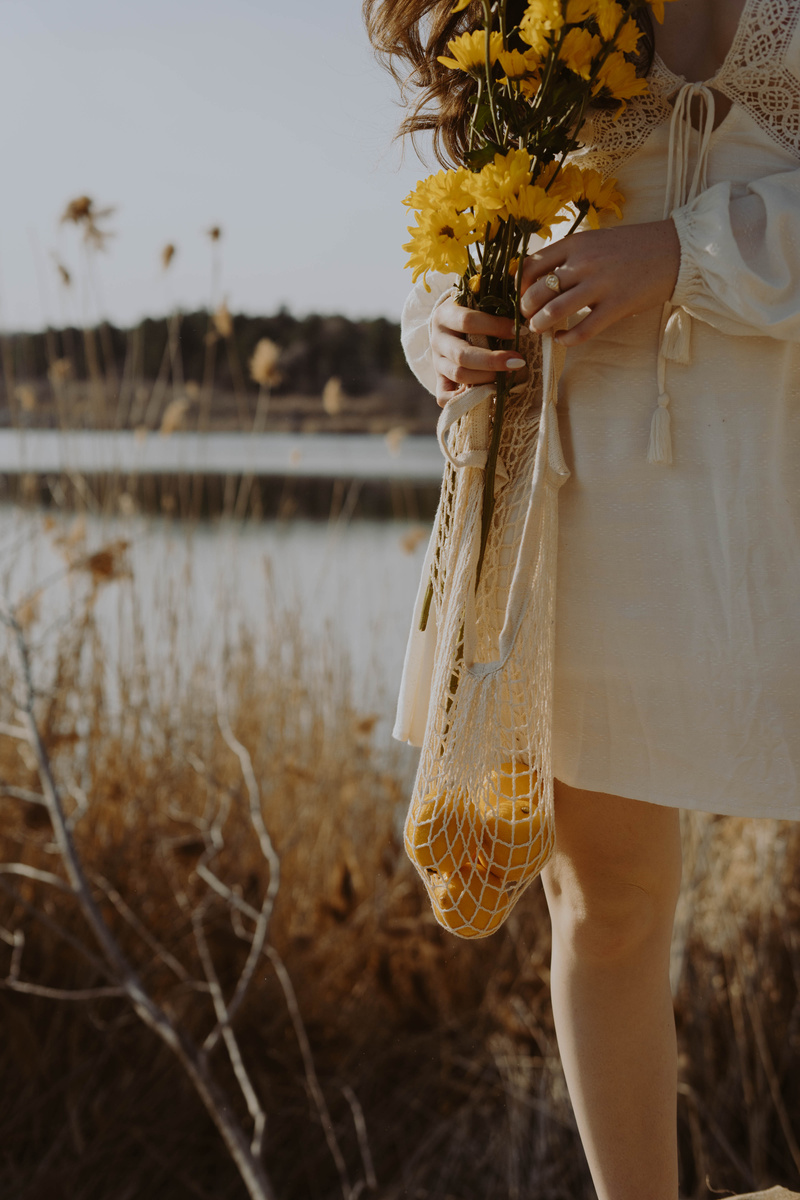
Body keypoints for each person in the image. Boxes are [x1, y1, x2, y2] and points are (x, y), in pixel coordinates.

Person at [364, 0, 800, 1196]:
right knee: (606, 902)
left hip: (782, 466)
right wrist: (442, 329)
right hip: (585, 488)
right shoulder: (525, 7)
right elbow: (481, 216)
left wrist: (679, 251)